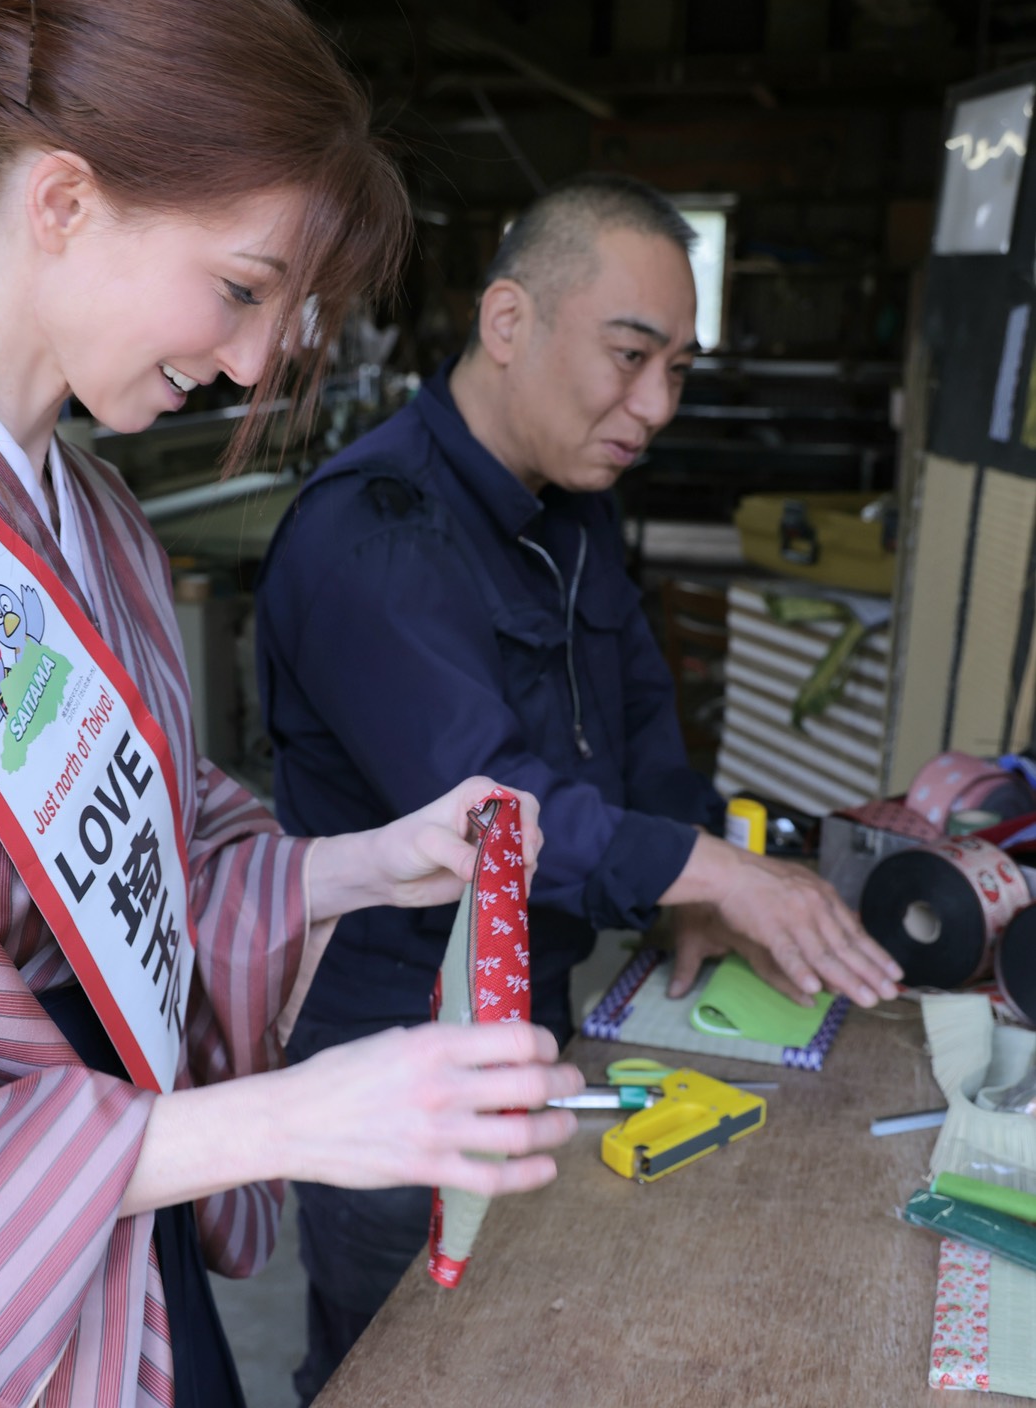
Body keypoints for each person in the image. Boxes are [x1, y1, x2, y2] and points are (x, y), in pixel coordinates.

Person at [0, 0, 585, 1404]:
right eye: (244, 287)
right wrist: (284, 1120)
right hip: (4, 1279)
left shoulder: (101, 521)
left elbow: (145, 864)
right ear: (62, 202)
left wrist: (353, 869)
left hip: (109, 1222)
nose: (257, 358)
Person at [255, 172, 905, 1401]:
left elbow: (640, 728)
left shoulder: (569, 508)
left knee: (521, 1347)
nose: (654, 405)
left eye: (679, 369)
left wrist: (688, 880)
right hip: (391, 1041)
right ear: (509, 323)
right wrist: (714, 871)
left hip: (540, 1003)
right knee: (399, 1360)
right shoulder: (374, 537)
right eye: (628, 355)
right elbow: (493, 814)